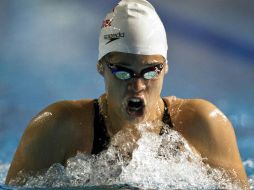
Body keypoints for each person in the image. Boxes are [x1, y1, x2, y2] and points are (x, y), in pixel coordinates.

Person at [5, 0, 249, 188]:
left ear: (166, 67)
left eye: (151, 71)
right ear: (101, 67)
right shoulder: (57, 128)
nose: (138, 85)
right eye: (123, 72)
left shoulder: (204, 126)